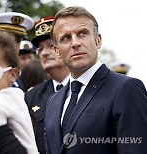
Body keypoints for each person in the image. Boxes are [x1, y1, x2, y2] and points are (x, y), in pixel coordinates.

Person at [44, 6, 147, 154]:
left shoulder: (126, 88)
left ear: (98, 40)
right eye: (66, 38)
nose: (75, 43)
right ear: (57, 51)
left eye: (82, 34)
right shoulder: (53, 101)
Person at [25, 16, 70, 154]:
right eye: (40, 49)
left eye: (51, 45)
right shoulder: (31, 96)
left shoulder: (89, 88)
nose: (44, 53)